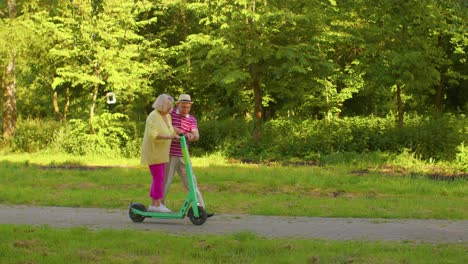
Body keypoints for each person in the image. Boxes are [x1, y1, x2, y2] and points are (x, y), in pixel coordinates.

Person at [163, 94, 214, 217]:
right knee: (166, 181)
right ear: (178, 105)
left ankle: (200, 209)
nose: (185, 109)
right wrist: (179, 131)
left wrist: (192, 136)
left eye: (187, 107)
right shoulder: (170, 114)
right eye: (183, 106)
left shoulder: (191, 119)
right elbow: (166, 126)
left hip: (183, 154)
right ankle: (158, 206)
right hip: (169, 153)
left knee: (191, 182)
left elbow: (196, 135)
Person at [140, 94, 179, 213]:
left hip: (162, 153)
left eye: (171, 105)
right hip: (153, 151)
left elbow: (171, 129)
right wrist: (169, 137)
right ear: (161, 104)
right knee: (158, 177)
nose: (170, 107)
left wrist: (180, 133)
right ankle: (156, 204)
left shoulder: (167, 116)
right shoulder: (153, 116)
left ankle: (154, 203)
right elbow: (154, 135)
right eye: (168, 105)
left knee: (159, 178)